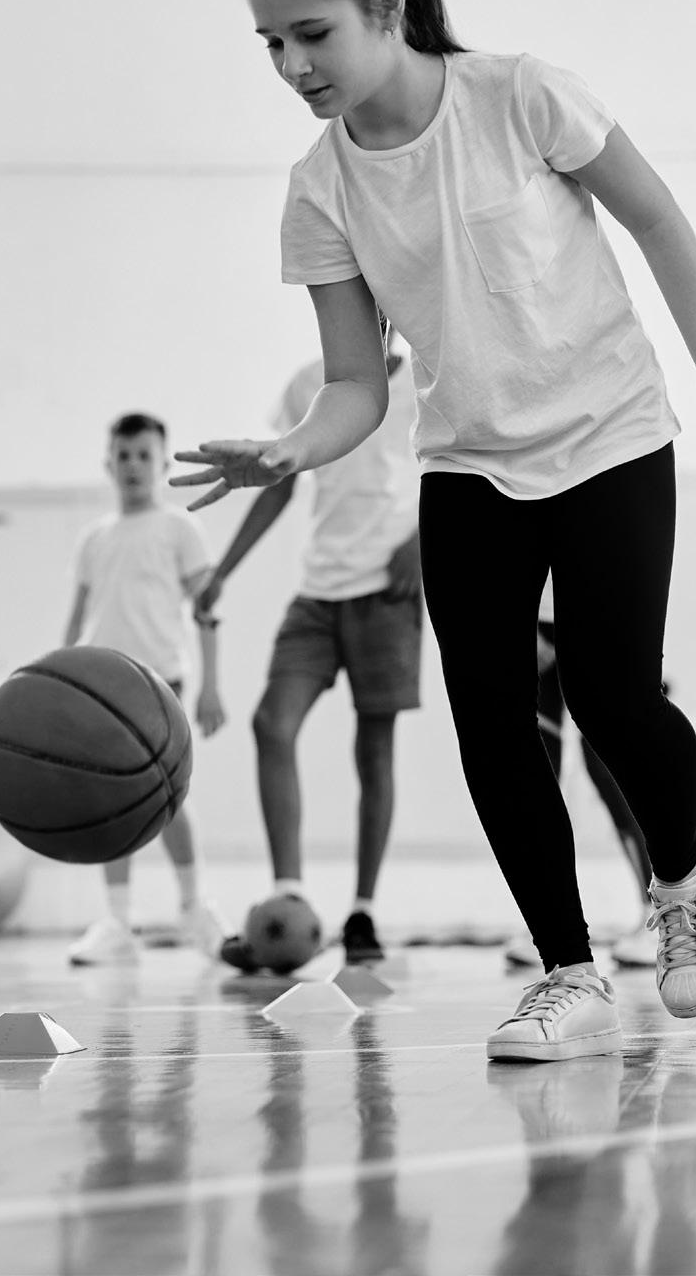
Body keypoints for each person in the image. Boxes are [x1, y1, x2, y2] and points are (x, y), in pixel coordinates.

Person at [178, 0, 696, 1062]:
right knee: (492, 727)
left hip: (608, 436)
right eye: (271, 44)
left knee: (612, 699)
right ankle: (567, 972)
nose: (292, 66)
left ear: (386, 1)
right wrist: (290, 447)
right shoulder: (320, 187)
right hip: (468, 464)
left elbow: (658, 222)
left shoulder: (519, 96)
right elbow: (357, 383)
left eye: (311, 34)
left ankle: (682, 878)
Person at [197, 347, 421, 969]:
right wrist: (222, 570)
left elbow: (463, 467)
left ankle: (362, 912)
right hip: (318, 593)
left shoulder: (428, 379)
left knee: (374, 751)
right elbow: (279, 484)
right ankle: (288, 897)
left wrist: (424, 541)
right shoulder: (306, 386)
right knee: (272, 723)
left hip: (389, 590)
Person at [63, 413, 229, 964]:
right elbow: (77, 618)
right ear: (108, 464)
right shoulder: (94, 539)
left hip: (161, 683)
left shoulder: (179, 529)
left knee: (168, 796)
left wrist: (211, 686)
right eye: (123, 455)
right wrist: (59, 684)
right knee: (111, 801)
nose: (132, 465)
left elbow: (206, 610)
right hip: (101, 687)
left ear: (161, 464)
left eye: (143, 456)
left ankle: (193, 909)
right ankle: (117, 921)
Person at [498, 587, 660, 974]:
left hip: (591, 615)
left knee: (611, 773)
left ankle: (656, 915)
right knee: (539, 775)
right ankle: (548, 926)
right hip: (536, 623)